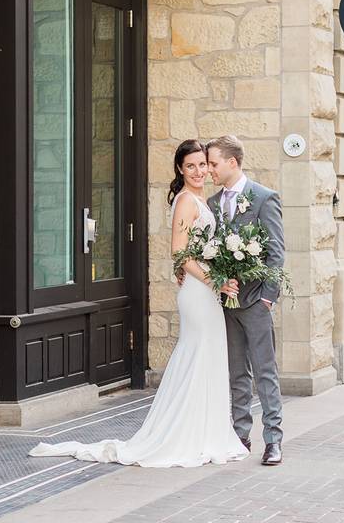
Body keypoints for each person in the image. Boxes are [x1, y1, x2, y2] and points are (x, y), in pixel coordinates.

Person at [28, 139, 248, 467]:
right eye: (191, 166)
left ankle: (206, 432)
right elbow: (179, 252)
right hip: (199, 293)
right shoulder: (187, 201)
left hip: (205, 289)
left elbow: (196, 251)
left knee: (208, 356)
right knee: (197, 354)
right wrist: (214, 280)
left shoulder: (202, 200)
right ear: (180, 169)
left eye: (203, 164)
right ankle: (185, 434)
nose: (199, 171)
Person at [205, 135, 286, 466]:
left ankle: (273, 440)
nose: (209, 169)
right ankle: (240, 436)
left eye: (213, 163)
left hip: (255, 303)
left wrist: (267, 299)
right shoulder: (212, 204)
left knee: (265, 372)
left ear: (232, 163)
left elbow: (276, 253)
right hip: (226, 305)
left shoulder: (263, 198)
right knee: (236, 372)